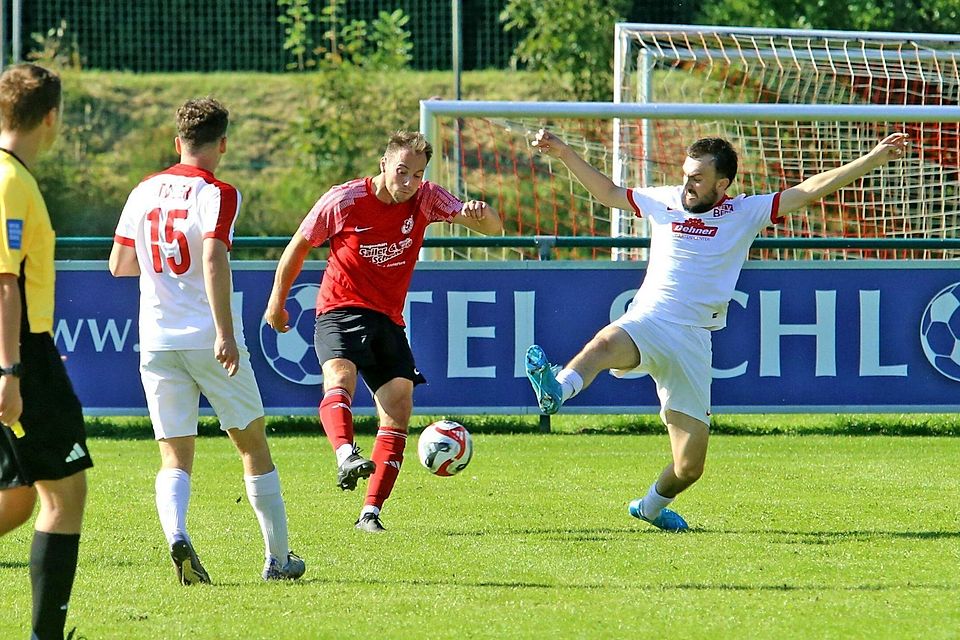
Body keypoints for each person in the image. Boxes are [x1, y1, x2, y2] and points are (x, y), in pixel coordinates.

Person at [525, 128, 909, 532]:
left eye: (697, 178)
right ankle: (558, 389)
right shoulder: (664, 200)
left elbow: (809, 190)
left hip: (693, 341)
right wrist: (565, 152)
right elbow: (609, 193)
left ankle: (650, 508)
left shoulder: (745, 212)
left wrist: (872, 160)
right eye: (687, 174)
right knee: (604, 343)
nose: (687, 184)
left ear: (722, 184)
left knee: (689, 467)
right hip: (650, 320)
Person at [264, 130, 502, 533]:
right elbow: (298, 246)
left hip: (388, 318)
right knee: (340, 376)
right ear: (383, 166)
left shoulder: (427, 197)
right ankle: (345, 453)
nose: (408, 183)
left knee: (399, 403)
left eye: (417, 174)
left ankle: (370, 513)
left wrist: (481, 212)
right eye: (402, 172)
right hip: (340, 309)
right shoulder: (344, 200)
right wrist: (276, 302)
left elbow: (493, 229)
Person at [109, 98, 304, 582]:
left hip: (156, 338)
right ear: (222, 144)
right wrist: (224, 332)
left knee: (174, 455)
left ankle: (177, 534)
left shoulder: (143, 190)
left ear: (178, 142)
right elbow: (214, 259)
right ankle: (278, 560)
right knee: (253, 446)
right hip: (206, 336)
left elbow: (119, 264)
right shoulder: (218, 193)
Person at [0, 63, 92, 640]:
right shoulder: (12, 181)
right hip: (18, 354)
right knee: (65, 491)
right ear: (52, 117)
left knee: (17, 495)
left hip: (24, 348)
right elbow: (4, 280)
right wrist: (11, 368)